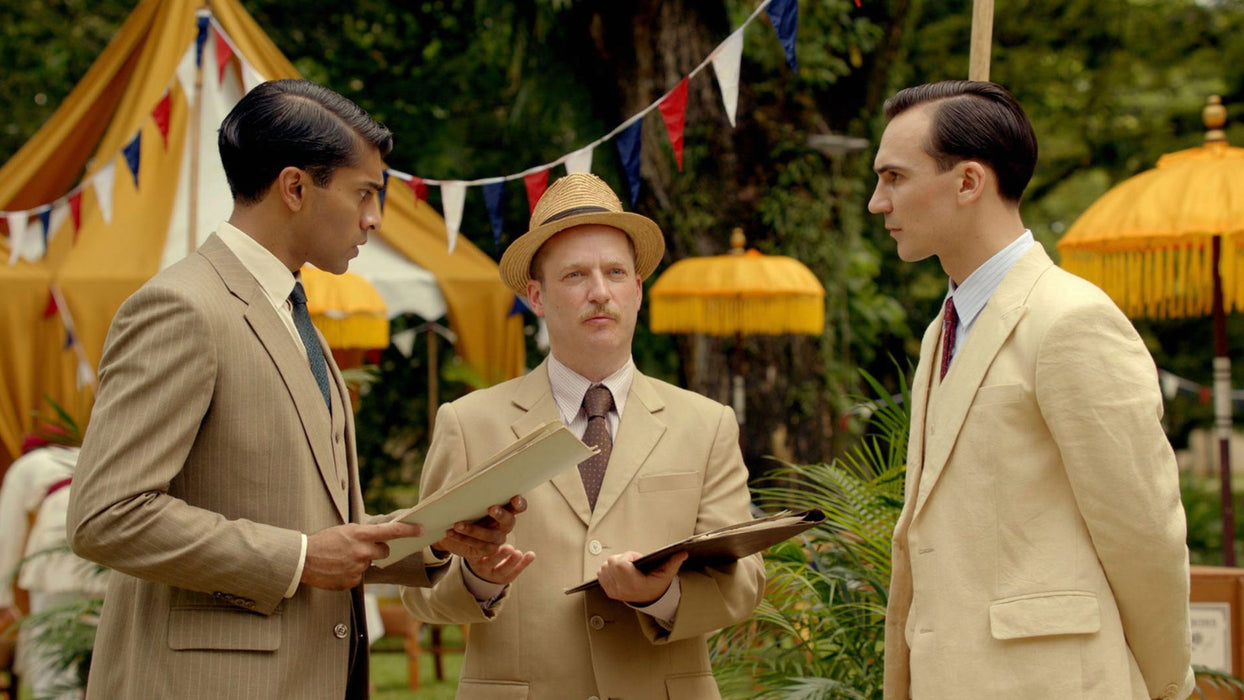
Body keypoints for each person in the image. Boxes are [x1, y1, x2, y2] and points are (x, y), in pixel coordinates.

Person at [65, 79, 525, 700]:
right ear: (295, 187)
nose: (374, 218)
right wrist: (299, 558)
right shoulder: (182, 307)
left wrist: (434, 536)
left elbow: (326, 527)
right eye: (364, 193)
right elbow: (106, 515)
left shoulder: (291, 311)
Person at [869, 80, 1194, 700]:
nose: (876, 202)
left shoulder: (1071, 319)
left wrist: (1164, 684)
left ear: (969, 182)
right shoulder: (942, 330)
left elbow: (1144, 534)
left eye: (894, 178)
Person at [401, 172, 765, 699]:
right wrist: (480, 579)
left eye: (615, 272)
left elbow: (746, 582)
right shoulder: (468, 422)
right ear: (536, 296)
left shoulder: (707, 424)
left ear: (637, 290)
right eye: (575, 275)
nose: (599, 292)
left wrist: (659, 596)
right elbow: (419, 588)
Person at [0, 436, 104, 700]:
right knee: (102, 654)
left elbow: (8, 533)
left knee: (53, 655)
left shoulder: (28, 464)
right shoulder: (85, 454)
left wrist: (3, 599)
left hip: (56, 558)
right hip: (102, 554)